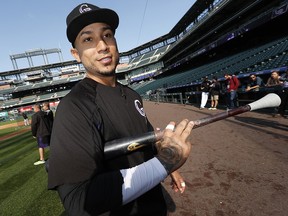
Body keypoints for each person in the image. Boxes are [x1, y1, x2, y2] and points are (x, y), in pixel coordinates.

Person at [47, 3, 194, 216]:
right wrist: (166, 162)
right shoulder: (74, 106)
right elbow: (79, 200)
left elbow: (148, 141)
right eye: (88, 39)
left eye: (107, 35)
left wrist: (173, 169)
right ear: (76, 54)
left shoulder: (132, 95)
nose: (102, 45)